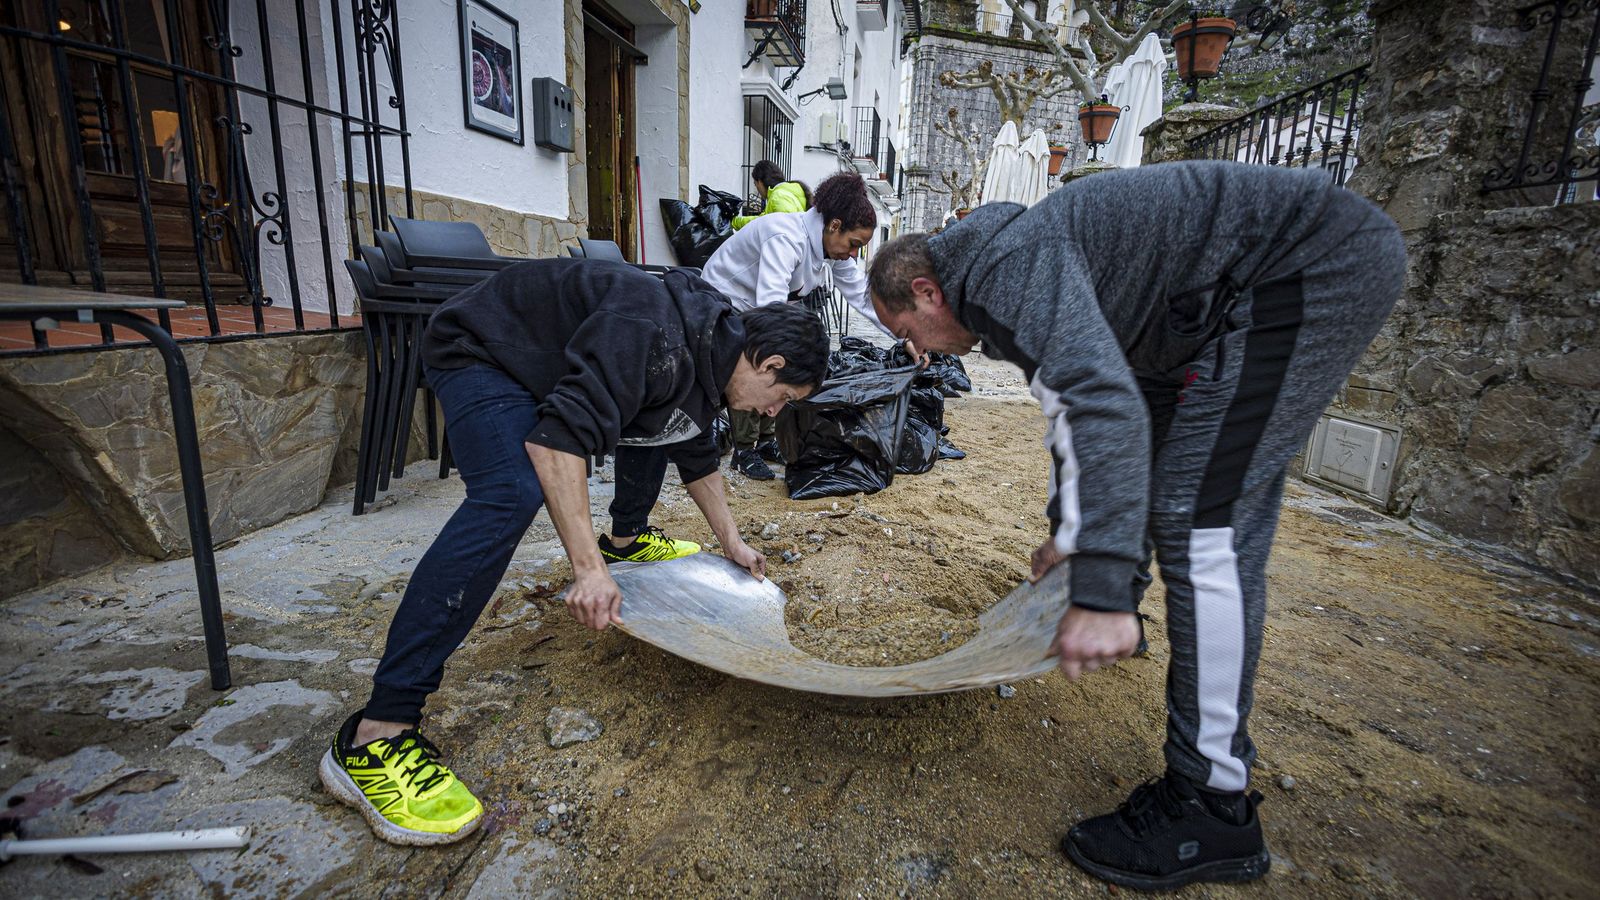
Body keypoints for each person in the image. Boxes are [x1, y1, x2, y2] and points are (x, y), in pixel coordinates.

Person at [866, 161, 1406, 891]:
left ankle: (1212, 807)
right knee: (1186, 495)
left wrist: (1106, 592)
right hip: (1212, 316)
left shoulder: (1002, 269)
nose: (919, 351)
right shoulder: (1007, 268)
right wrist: (1078, 538)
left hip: (1303, 267)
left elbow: (1097, 401)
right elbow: (1094, 406)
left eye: (908, 330)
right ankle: (1200, 763)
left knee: (1204, 522)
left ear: (927, 292)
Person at [319, 259, 829, 846]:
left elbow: (695, 453)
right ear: (770, 364)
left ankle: (625, 541)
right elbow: (556, 442)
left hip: (542, 367)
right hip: (478, 351)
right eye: (782, 397)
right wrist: (588, 569)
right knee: (511, 493)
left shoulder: (710, 355)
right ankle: (376, 734)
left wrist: (732, 543)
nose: (774, 413)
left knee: (658, 426)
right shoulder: (654, 332)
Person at [702, 170, 894, 479]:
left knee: (785, 360)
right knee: (758, 360)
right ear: (834, 226)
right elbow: (770, 310)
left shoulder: (832, 249)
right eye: (854, 243)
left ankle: (766, 441)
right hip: (723, 301)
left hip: (761, 305)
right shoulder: (786, 236)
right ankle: (745, 450)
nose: (854, 253)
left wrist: (904, 335)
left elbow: (863, 296)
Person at [732, 159, 812, 231]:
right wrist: (735, 222)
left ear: (759, 182)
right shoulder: (786, 192)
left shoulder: (778, 197)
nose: (757, 190)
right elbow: (761, 220)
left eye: (755, 184)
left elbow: (786, 229)